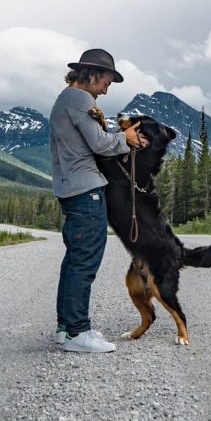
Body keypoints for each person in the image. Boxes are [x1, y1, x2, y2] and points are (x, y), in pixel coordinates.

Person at [49, 48, 145, 353]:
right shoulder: (80, 99)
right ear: (90, 74)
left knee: (74, 260)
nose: (106, 88)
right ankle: (78, 332)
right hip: (85, 190)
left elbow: (88, 141)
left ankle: (66, 328)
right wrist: (125, 140)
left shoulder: (65, 99)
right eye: (106, 81)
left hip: (71, 188)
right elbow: (100, 144)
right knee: (85, 261)